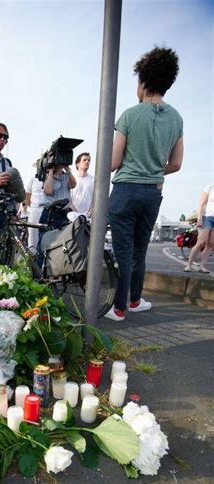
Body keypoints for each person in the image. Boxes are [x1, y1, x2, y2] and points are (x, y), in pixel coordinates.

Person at [105, 46, 184, 322]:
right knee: (140, 250)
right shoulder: (176, 118)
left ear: (144, 82)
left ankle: (118, 309)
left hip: (126, 190)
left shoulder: (130, 115)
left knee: (122, 252)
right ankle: (135, 300)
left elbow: (113, 162)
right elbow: (176, 164)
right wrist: (153, 170)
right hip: (154, 192)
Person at [184, 184, 214, 274]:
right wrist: (199, 218)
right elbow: (201, 203)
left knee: (211, 244)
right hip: (207, 217)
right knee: (201, 242)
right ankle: (188, 265)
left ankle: (202, 266)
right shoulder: (210, 187)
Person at [69, 152, 94, 219]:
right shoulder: (72, 179)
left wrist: (90, 212)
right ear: (77, 164)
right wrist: (75, 212)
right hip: (73, 215)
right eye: (84, 160)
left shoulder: (93, 180)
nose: (87, 162)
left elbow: (95, 199)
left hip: (88, 216)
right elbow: (68, 198)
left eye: (89, 160)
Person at [25, 167, 45, 252]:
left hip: (45, 210)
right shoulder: (33, 179)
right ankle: (31, 260)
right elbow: (27, 198)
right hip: (34, 211)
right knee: (32, 238)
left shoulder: (50, 178)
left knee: (44, 237)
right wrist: (34, 206)